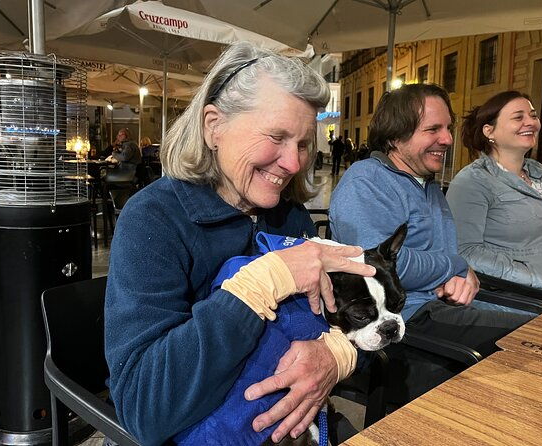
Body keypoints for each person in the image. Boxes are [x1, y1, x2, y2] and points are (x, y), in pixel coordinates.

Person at [104, 41, 375, 446]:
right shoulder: (153, 219)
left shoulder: (289, 216)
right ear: (214, 126)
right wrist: (262, 282)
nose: (294, 162)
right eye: (276, 136)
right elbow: (145, 408)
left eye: (303, 144)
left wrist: (337, 356)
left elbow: (361, 313)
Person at [329, 83, 535, 401]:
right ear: (396, 136)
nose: (448, 139)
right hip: (405, 330)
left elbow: (441, 257)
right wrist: (456, 265)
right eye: (433, 129)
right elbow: (382, 267)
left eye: (448, 128)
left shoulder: (427, 184)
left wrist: (458, 278)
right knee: (537, 340)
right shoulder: (366, 181)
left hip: (439, 310)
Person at [446, 91, 542, 295]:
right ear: (489, 131)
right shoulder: (472, 181)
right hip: (534, 297)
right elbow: (466, 252)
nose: (530, 122)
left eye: (533, 115)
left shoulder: (540, 173)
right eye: (518, 117)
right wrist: (535, 278)